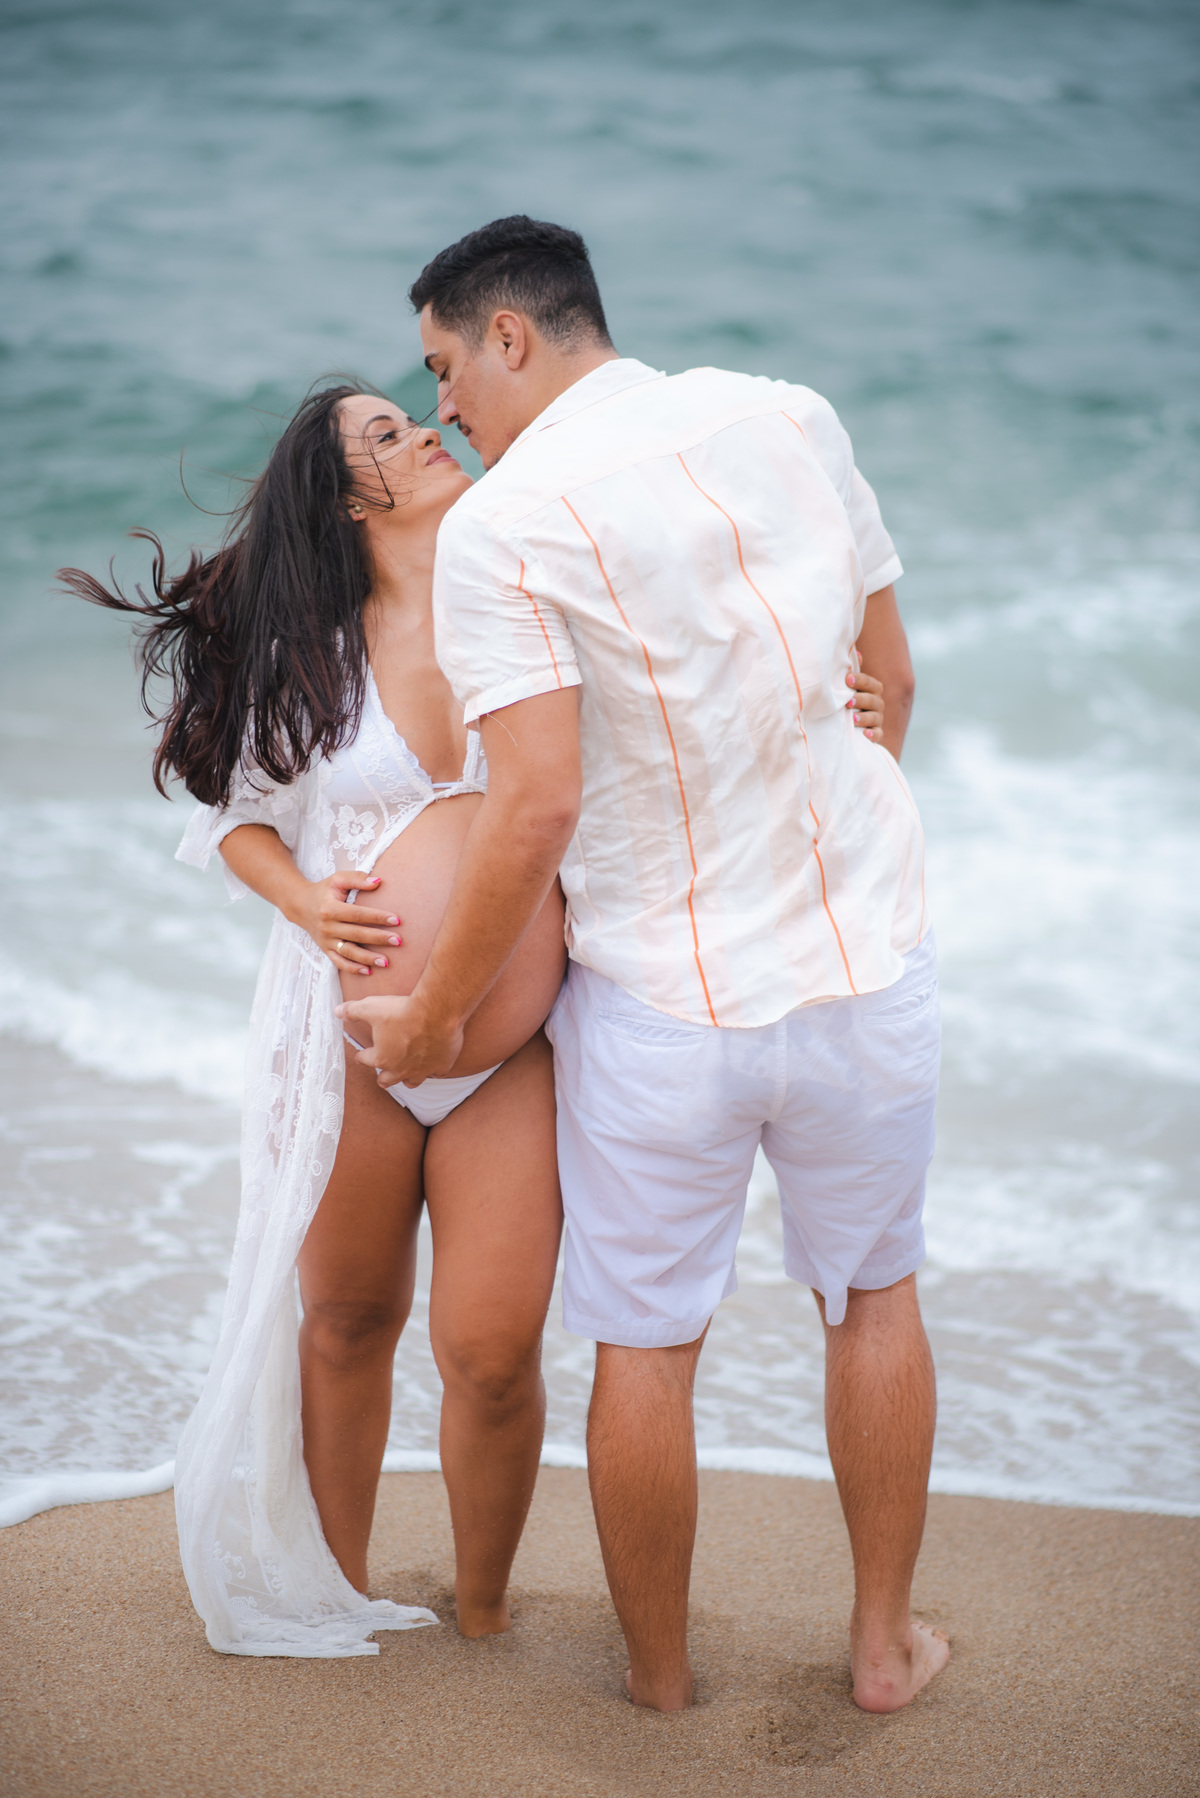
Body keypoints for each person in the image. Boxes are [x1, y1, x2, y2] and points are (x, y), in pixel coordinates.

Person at [340, 214, 947, 1712]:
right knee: (874, 1299)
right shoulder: (790, 415)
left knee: (646, 1343)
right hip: (863, 959)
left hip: (668, 999)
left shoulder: (504, 522)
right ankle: (883, 1651)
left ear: (510, 335)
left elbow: (535, 804)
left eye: (444, 370)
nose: (442, 415)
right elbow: (894, 682)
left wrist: (430, 1016)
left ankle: (665, 1682)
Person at [55, 384, 570, 1656]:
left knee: (493, 1351)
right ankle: (340, 1590)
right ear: (346, 498)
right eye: (386, 436)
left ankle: (487, 1607)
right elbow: (224, 812)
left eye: (416, 415)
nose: (425, 433)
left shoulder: (532, 603)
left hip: (506, 1054)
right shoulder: (313, 655)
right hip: (339, 1048)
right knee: (347, 1323)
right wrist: (305, 900)